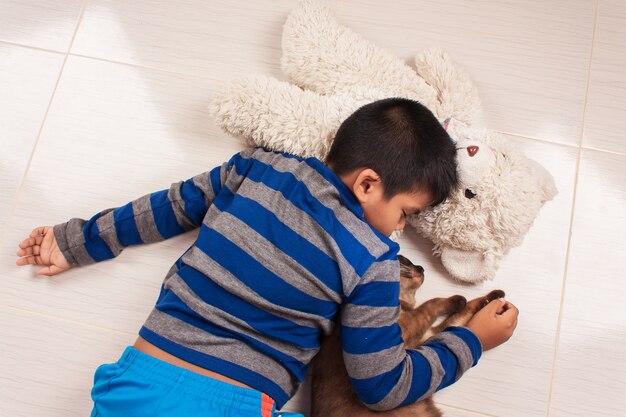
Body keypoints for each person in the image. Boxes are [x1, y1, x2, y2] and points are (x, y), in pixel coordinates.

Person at [16, 98, 518, 417]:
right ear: (367, 184)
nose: (402, 228)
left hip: (139, 385)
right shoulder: (371, 259)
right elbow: (382, 385)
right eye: (406, 212)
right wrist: (470, 341)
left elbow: (170, 207)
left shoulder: (256, 167)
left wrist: (77, 241)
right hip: (235, 402)